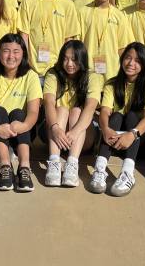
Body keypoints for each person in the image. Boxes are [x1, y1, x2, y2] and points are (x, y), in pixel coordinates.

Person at [92, 42, 145, 196]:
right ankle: (100, 169)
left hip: (142, 142)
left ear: (143, 64)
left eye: (137, 61)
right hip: (118, 142)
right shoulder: (112, 84)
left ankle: (128, 174)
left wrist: (132, 134)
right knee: (115, 116)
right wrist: (105, 129)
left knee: (132, 116)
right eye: (128, 58)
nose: (131, 63)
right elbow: (104, 112)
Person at [0, 34, 42, 192]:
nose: (11, 56)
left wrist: (23, 126)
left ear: (23, 54)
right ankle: (5, 166)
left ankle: (24, 168)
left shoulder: (31, 77)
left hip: (20, 132)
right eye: (6, 51)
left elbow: (34, 111)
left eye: (16, 51)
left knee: (19, 113)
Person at [43, 40, 101, 188]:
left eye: (74, 59)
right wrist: (55, 128)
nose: (69, 63)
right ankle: (54, 162)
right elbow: (49, 102)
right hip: (55, 134)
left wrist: (74, 132)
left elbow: (90, 107)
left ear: (82, 59)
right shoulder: (53, 74)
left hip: (81, 136)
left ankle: (72, 164)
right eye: (65, 58)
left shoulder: (93, 77)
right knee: (61, 109)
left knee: (76, 111)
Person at [18, 0, 80, 78]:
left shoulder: (67, 4)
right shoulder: (28, 2)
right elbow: (24, 35)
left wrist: (63, 64)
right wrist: (26, 63)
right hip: (32, 70)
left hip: (57, 69)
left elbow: (69, 38)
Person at [77, 0, 131, 82]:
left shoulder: (119, 16)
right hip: (88, 72)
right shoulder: (82, 12)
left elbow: (123, 48)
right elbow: (78, 44)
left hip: (112, 73)